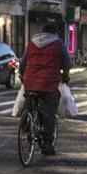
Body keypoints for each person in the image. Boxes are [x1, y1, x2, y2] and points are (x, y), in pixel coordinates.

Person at [18, 21, 72, 156]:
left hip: (30, 81)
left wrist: (22, 77)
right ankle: (47, 144)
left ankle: (27, 122)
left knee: (30, 100)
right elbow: (67, 62)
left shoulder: (31, 44)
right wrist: (65, 75)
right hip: (48, 83)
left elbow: (22, 63)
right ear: (55, 32)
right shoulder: (58, 44)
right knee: (49, 112)